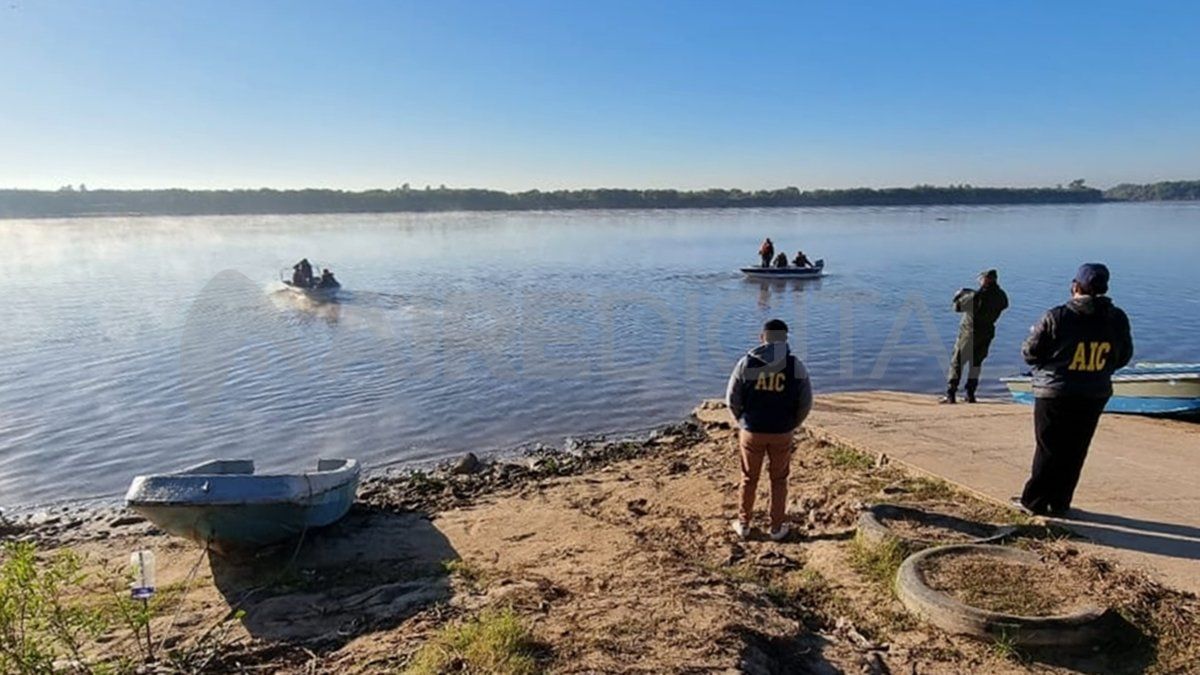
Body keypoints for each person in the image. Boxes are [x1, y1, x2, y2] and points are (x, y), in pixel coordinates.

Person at [1016, 263, 1133, 517]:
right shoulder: (1117, 318)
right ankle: (1060, 501)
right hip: (1094, 392)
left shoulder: (1057, 316)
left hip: (1056, 392)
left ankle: (1034, 501)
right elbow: (1124, 356)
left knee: (1049, 447)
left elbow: (1030, 352)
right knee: (1076, 449)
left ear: (1075, 286)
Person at [726, 319, 814, 541]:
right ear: (785, 339)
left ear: (762, 337)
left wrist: (742, 421)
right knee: (779, 479)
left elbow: (732, 398)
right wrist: (793, 424)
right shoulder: (795, 365)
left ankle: (744, 524)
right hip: (782, 431)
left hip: (752, 430)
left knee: (749, 477)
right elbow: (805, 402)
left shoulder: (746, 363)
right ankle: (776, 527)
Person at [941, 269, 1009, 404]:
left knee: (957, 362)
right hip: (986, 334)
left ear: (986, 280)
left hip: (969, 334)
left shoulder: (976, 297)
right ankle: (970, 394)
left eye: (981, 278)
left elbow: (956, 307)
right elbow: (1004, 305)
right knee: (976, 364)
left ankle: (951, 393)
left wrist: (958, 295)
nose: (979, 280)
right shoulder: (1001, 296)